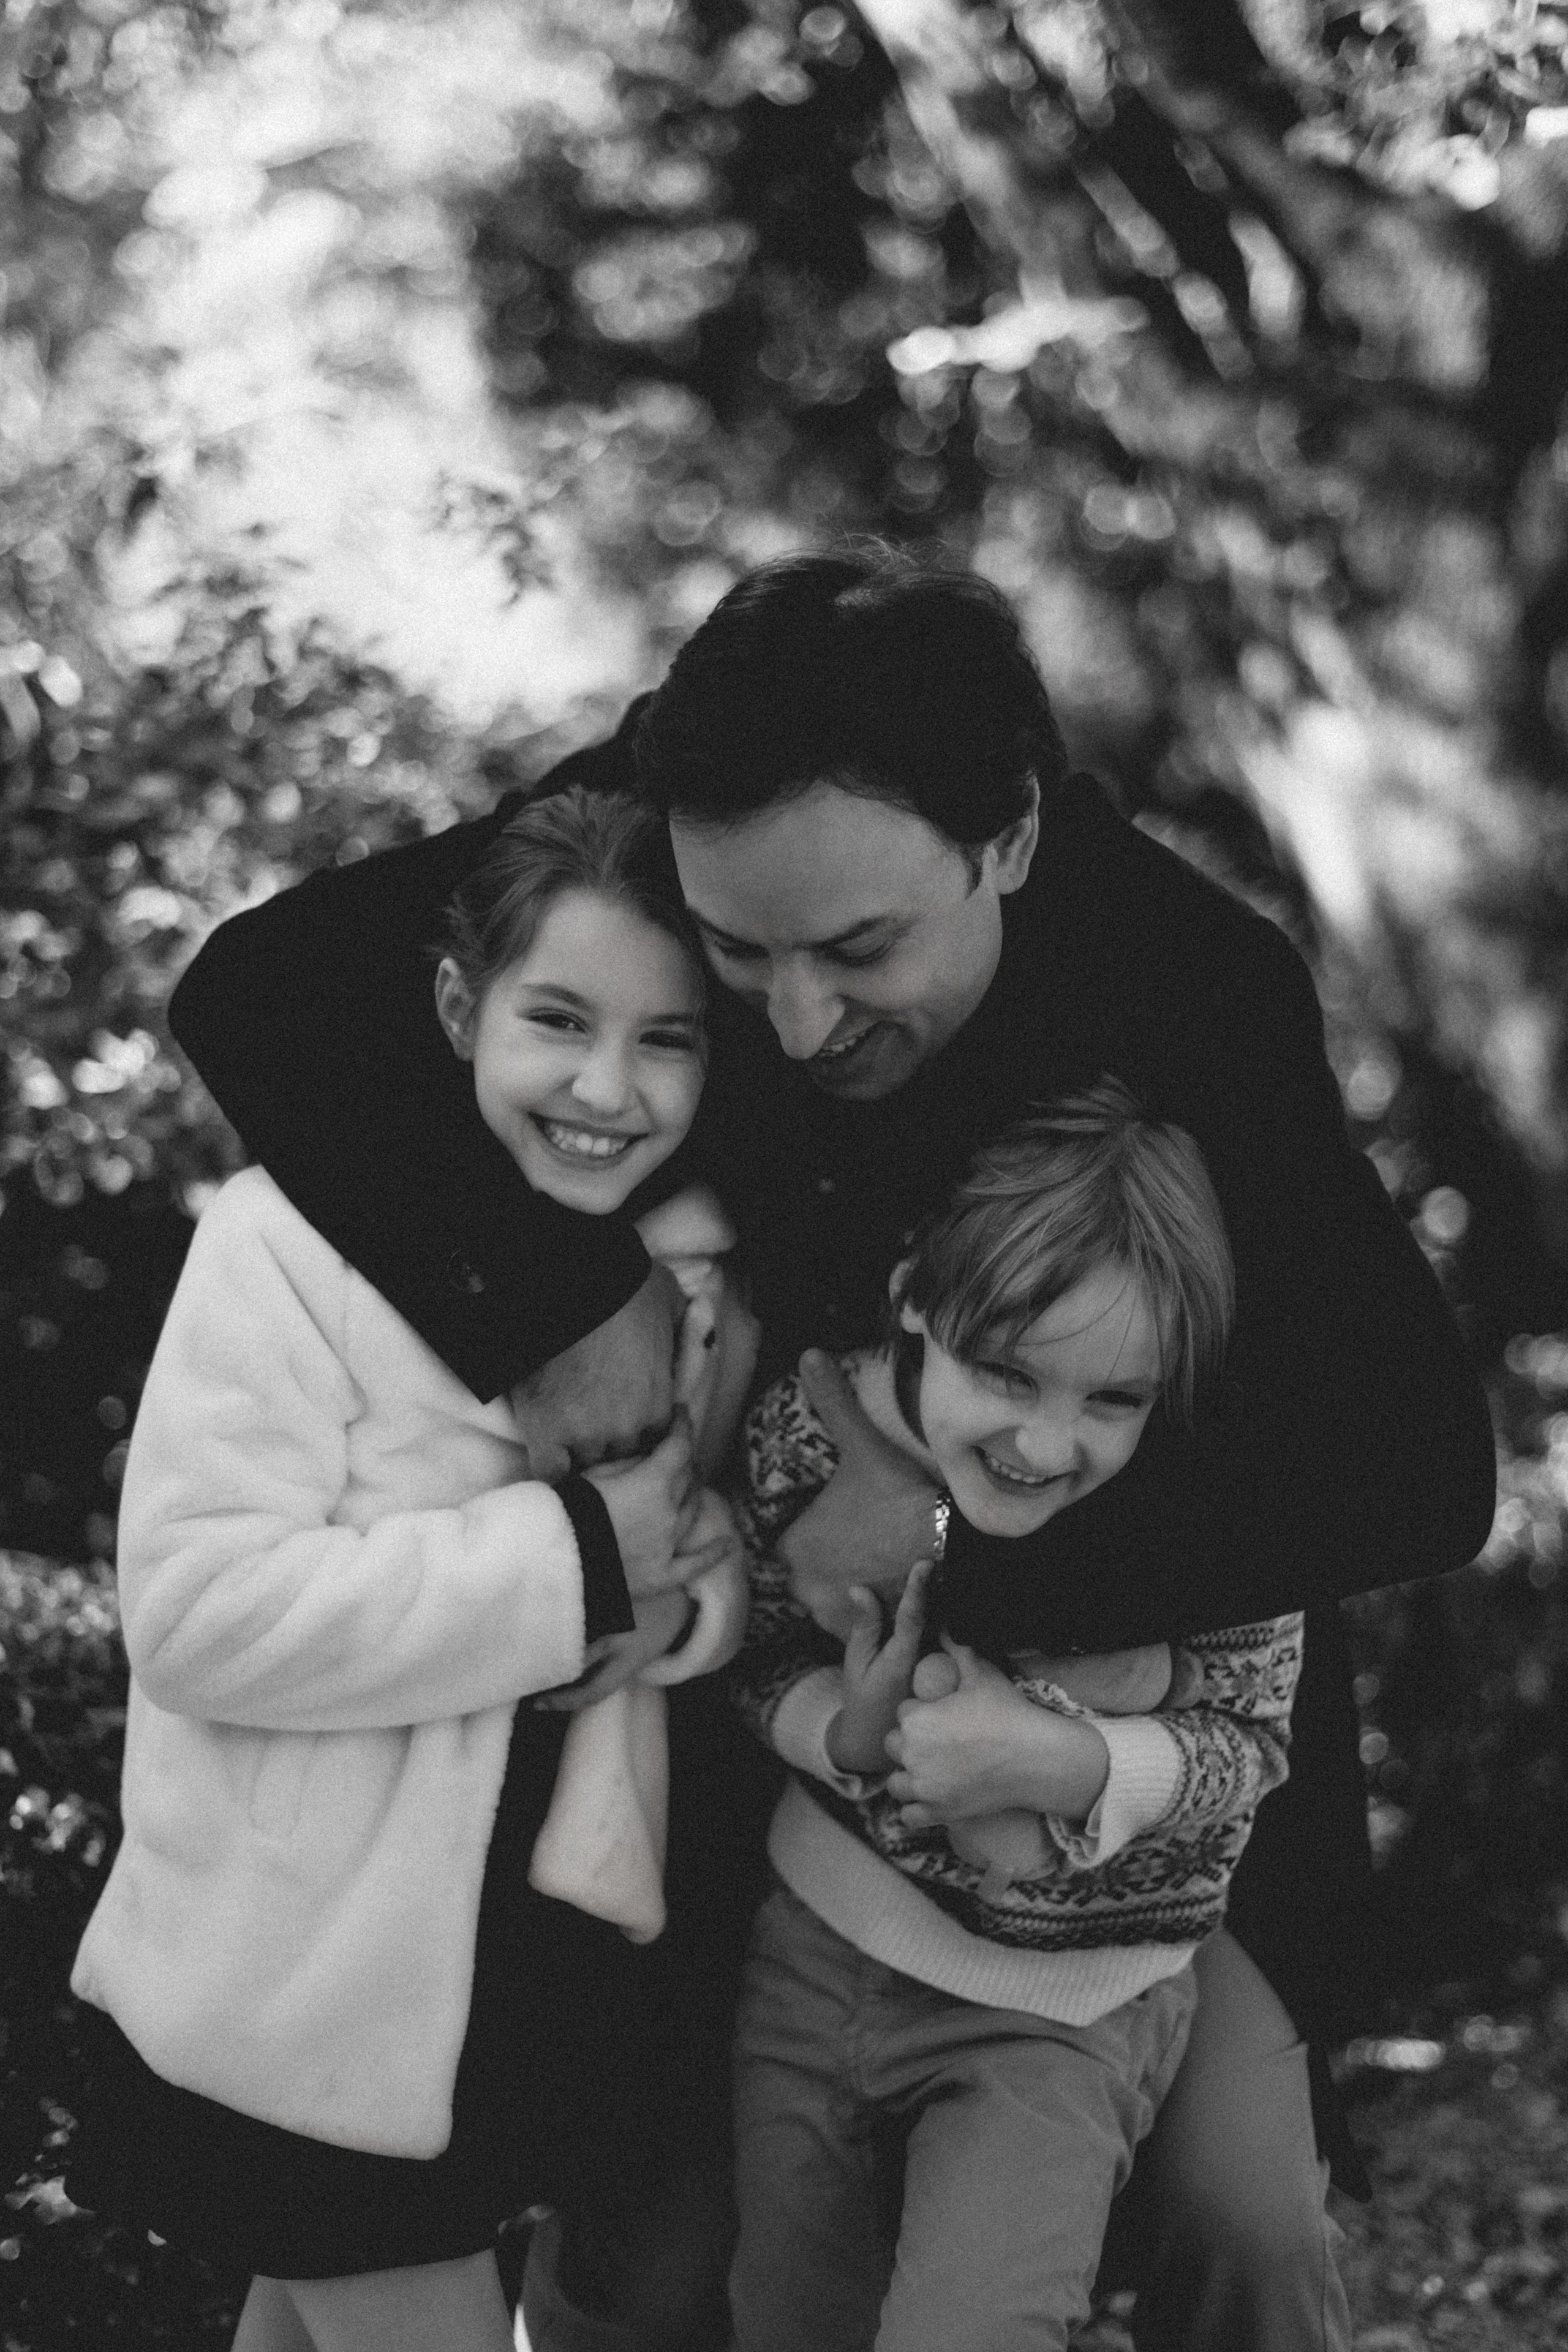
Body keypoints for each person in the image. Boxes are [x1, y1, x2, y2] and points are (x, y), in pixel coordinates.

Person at [167, 552, 1498, 2351]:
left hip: (1136, 1738)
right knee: (663, 2242)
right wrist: (563, 1293)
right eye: (737, 957)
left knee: (1233, 2224)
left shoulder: (1196, 986)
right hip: (763, 1745)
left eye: (864, 952)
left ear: (1008, 841)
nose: (795, 1024)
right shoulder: (676, 795)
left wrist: (940, 1519)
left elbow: (1413, 1465)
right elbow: (273, 986)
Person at [67, 788, 748, 2352]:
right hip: (300, 1978)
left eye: (668, 1040)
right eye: (557, 1020)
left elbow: (692, 1555)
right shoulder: (277, 1247)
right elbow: (195, 1615)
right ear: (459, 1009)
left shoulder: (675, 1281)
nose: (606, 1087)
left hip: (494, 1985)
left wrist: (676, 1614)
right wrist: (574, 1561)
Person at [729, 1082, 1301, 2351]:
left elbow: (1251, 1742)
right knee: (786, 2322)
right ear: (915, 1303)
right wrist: (837, 1729)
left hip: (1062, 2009)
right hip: (815, 1955)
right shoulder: (813, 1435)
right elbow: (755, 1649)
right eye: (1006, 1375)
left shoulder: (1220, 1519)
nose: (1046, 1443)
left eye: (1113, 1400)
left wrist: (1063, 1761)